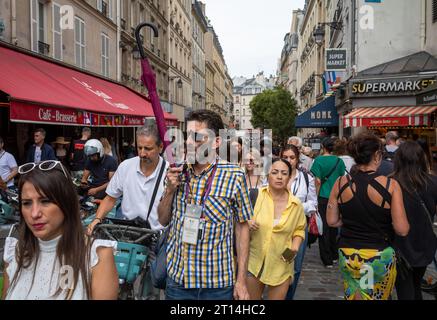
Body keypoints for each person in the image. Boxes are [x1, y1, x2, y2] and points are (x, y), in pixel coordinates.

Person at [158, 109, 253, 300]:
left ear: (216, 142)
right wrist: (169, 190)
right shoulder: (176, 171)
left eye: (198, 138)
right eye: (188, 137)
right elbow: (162, 219)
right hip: (179, 281)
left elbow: (242, 228)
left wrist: (241, 280)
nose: (190, 144)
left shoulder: (235, 175)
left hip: (217, 284)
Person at [2, 160, 118, 300]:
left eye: (45, 201)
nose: (34, 213)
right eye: (26, 203)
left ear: (66, 202)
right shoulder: (15, 253)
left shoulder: (96, 256)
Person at [326, 132, 409, 300]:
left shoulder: (340, 183)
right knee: (371, 296)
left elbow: (332, 220)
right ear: (377, 155)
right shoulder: (390, 185)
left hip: (348, 253)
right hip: (376, 255)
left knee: (355, 295)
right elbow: (402, 229)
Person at [87, 125, 169, 234]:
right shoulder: (125, 166)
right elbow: (110, 198)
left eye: (148, 149)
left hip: (157, 235)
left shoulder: (169, 172)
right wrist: (97, 219)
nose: (142, 153)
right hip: (128, 232)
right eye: (139, 148)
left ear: (160, 147)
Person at [247, 158, 306, 300]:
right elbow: (239, 219)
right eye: (275, 172)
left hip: (281, 263)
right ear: (268, 174)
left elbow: (299, 229)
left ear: (289, 177)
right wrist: (247, 222)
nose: (279, 177)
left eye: (284, 173)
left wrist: (295, 247)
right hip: (254, 262)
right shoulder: (256, 195)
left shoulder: (295, 204)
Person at [392, 141, 437, 300]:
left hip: (399, 244)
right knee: (416, 285)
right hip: (424, 242)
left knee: (405, 288)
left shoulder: (391, 183)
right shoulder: (432, 182)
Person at [281, 144, 317, 299]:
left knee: (294, 266)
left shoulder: (306, 178)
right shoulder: (274, 175)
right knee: (278, 264)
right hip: (278, 228)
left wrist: (295, 206)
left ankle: (288, 296)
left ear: (297, 159)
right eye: (285, 157)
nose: (288, 160)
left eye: (292, 157)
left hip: (297, 230)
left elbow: (313, 204)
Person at [311, 137, 346, 268]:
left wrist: (315, 196)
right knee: (334, 225)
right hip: (336, 196)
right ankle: (334, 254)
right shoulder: (339, 161)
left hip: (323, 197)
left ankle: (327, 259)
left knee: (323, 227)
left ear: (323, 146)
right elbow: (342, 178)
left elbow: (318, 181)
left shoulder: (318, 161)